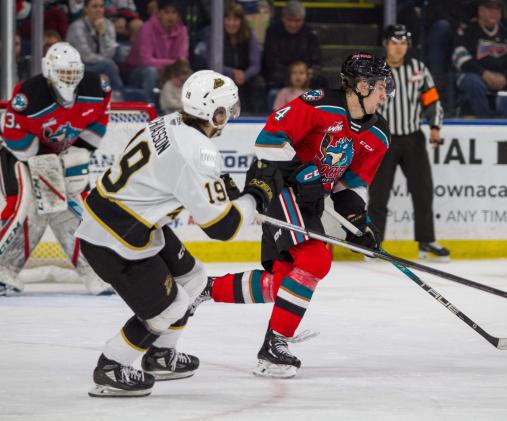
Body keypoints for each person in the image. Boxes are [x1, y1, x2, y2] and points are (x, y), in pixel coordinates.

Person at [75, 70, 284, 397]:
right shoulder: (196, 151)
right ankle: (112, 365)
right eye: (229, 110)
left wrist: (225, 187)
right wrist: (255, 195)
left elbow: (183, 172)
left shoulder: (172, 120)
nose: (230, 116)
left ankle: (160, 356)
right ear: (215, 114)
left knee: (194, 278)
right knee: (168, 308)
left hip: (126, 219)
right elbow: (222, 228)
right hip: (115, 238)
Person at [195, 53, 393, 379]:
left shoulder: (378, 134)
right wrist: (303, 173)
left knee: (283, 283)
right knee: (317, 261)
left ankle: (203, 289)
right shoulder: (319, 105)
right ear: (361, 85)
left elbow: (351, 184)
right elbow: (268, 141)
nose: (385, 94)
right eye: (381, 87)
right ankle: (275, 345)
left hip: (309, 197)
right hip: (277, 183)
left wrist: (359, 223)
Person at [0, 42, 112, 296]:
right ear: (49, 71)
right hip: (20, 157)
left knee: (78, 213)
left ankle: (93, 270)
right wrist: (45, 161)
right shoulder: (29, 95)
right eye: (63, 73)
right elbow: (13, 136)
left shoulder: (96, 88)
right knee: (26, 211)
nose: (69, 79)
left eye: (73, 72)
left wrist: (78, 153)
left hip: (64, 155)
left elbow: (98, 122)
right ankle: (3, 269)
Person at [367, 25, 449, 262]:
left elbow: (432, 100)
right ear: (385, 43)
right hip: (383, 139)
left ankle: (426, 242)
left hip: (413, 137)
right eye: (394, 41)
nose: (399, 46)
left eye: (403, 42)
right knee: (379, 195)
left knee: (423, 192)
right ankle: (374, 243)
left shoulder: (418, 69)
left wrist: (435, 128)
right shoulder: (374, 71)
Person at [452, 0, 507, 118]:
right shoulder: (468, 30)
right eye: (490, 9)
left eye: (497, 9)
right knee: (472, 82)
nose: (494, 13)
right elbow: (460, 57)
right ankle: (486, 120)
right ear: (480, 11)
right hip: (477, 76)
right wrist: (484, 74)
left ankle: (505, 120)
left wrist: (505, 77)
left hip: (502, 77)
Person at [262, 0, 322, 110]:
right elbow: (270, 62)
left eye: (297, 21)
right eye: (289, 20)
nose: (293, 24)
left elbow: (317, 63)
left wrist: (306, 74)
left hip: (305, 81)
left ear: (303, 20)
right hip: (279, 80)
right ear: (283, 18)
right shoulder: (273, 31)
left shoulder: (310, 34)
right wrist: (292, 75)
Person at [207, 2, 266, 114]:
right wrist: (232, 72)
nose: (231, 23)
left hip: (246, 78)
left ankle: (257, 117)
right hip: (224, 77)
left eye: (235, 20)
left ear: (241, 21)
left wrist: (245, 75)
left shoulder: (249, 35)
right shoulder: (214, 35)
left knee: (258, 83)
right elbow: (212, 63)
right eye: (228, 20)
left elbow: (255, 64)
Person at [126, 0, 188, 103]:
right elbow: (146, 61)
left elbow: (182, 60)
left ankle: (179, 107)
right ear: (159, 13)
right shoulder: (147, 28)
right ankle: (150, 108)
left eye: (174, 13)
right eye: (167, 12)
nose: (170, 17)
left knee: (187, 74)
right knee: (151, 71)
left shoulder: (182, 30)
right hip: (138, 72)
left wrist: (173, 67)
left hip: (167, 71)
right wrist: (172, 64)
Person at [66, 0, 125, 98]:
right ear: (86, 9)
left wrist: (102, 34)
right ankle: (120, 99)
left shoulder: (108, 25)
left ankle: (112, 100)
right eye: (95, 6)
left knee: (104, 76)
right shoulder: (77, 27)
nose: (99, 10)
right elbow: (85, 56)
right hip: (77, 68)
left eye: (101, 6)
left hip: (101, 67)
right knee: (108, 65)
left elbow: (111, 53)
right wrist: (106, 62)